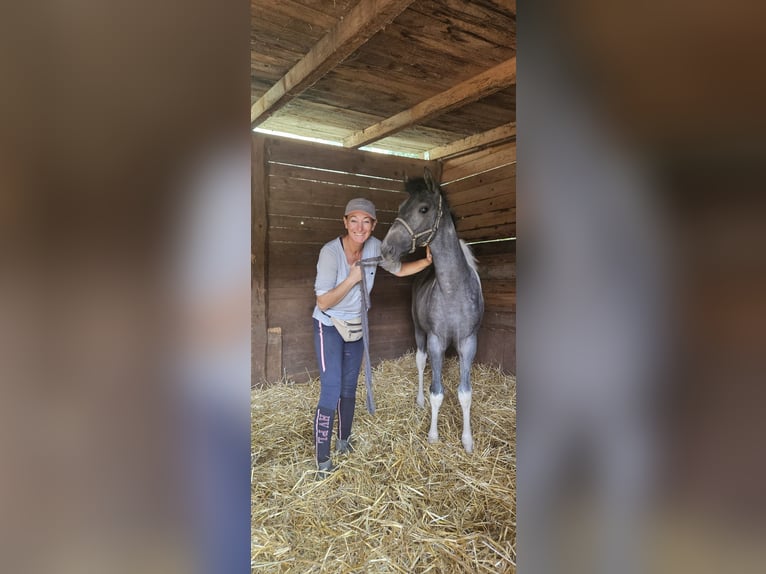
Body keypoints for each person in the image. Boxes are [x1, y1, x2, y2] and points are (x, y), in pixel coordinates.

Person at [312, 197, 432, 478]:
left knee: (349, 387)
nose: (360, 226)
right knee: (331, 388)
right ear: (345, 222)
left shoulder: (376, 247)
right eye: (353, 220)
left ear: (374, 225)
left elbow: (399, 269)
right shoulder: (330, 253)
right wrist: (353, 279)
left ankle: (343, 442)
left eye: (366, 221)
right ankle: (322, 460)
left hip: (356, 326)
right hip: (328, 325)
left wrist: (425, 262)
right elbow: (323, 303)